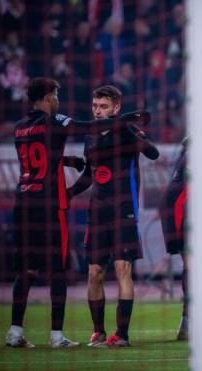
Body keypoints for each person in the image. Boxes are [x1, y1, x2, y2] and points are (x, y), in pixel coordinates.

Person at [5, 78, 149, 348]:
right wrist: (125, 119)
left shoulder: (19, 128)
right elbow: (86, 127)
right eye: (56, 95)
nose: (58, 100)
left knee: (26, 270)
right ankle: (57, 336)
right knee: (58, 271)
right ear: (48, 98)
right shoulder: (55, 121)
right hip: (49, 204)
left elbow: (41, 157)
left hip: (22, 202)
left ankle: (14, 332)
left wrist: (67, 162)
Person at [66, 85, 159, 348]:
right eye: (95, 106)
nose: (97, 111)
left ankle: (123, 334)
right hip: (97, 212)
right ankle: (98, 332)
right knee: (94, 273)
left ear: (116, 107)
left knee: (122, 270)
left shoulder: (127, 131)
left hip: (124, 211)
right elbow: (89, 174)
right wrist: (69, 192)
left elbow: (153, 152)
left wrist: (128, 131)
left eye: (103, 107)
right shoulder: (90, 136)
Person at [160, 137, 190, 340]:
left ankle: (187, 326)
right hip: (180, 214)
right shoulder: (196, 157)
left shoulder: (185, 156)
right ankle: (188, 326)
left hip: (175, 212)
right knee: (195, 270)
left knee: (193, 270)